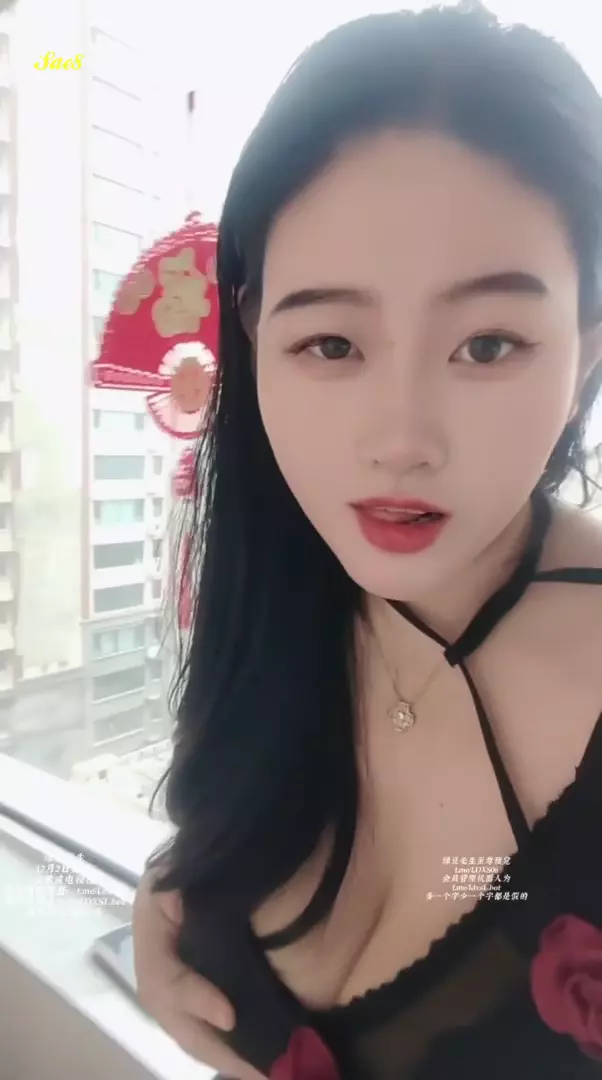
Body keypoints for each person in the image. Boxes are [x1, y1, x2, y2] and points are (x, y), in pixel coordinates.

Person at [132, 3, 602, 1077]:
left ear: (582, 355)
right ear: (253, 339)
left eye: (488, 344)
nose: (400, 441)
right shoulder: (279, 586)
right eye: (331, 343)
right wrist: (169, 906)